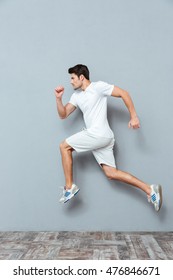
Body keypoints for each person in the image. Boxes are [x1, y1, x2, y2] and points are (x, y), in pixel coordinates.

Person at [54, 64, 162, 211]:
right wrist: (59, 99)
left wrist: (134, 116)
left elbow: (124, 93)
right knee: (111, 173)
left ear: (81, 77)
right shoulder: (76, 96)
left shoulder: (98, 87)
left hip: (98, 134)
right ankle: (150, 190)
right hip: (103, 139)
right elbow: (63, 114)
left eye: (72, 78)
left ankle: (69, 187)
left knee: (63, 146)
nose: (71, 81)